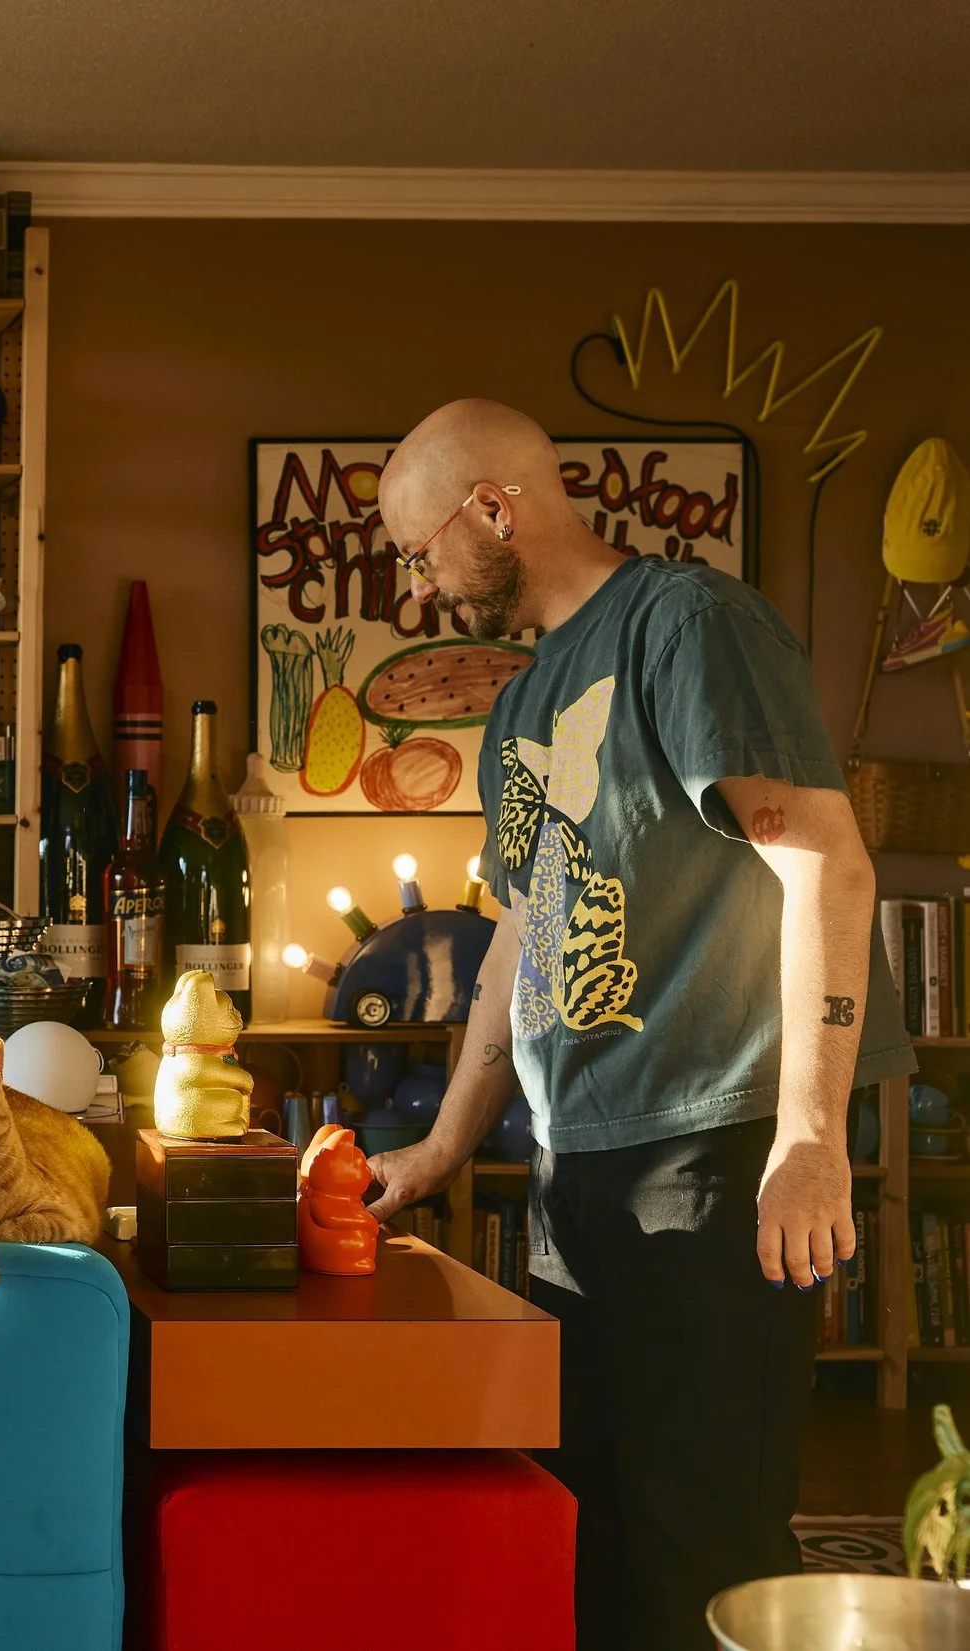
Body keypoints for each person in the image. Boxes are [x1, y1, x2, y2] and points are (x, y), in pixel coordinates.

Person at [364, 399, 915, 1650]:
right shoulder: (523, 702)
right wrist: (448, 1145)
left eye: (420, 551)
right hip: (578, 1167)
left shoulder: (689, 624)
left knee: (701, 1541)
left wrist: (810, 1136)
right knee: (593, 1524)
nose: (419, 585)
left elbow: (822, 863)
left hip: (711, 1159)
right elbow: (521, 932)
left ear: (494, 509)